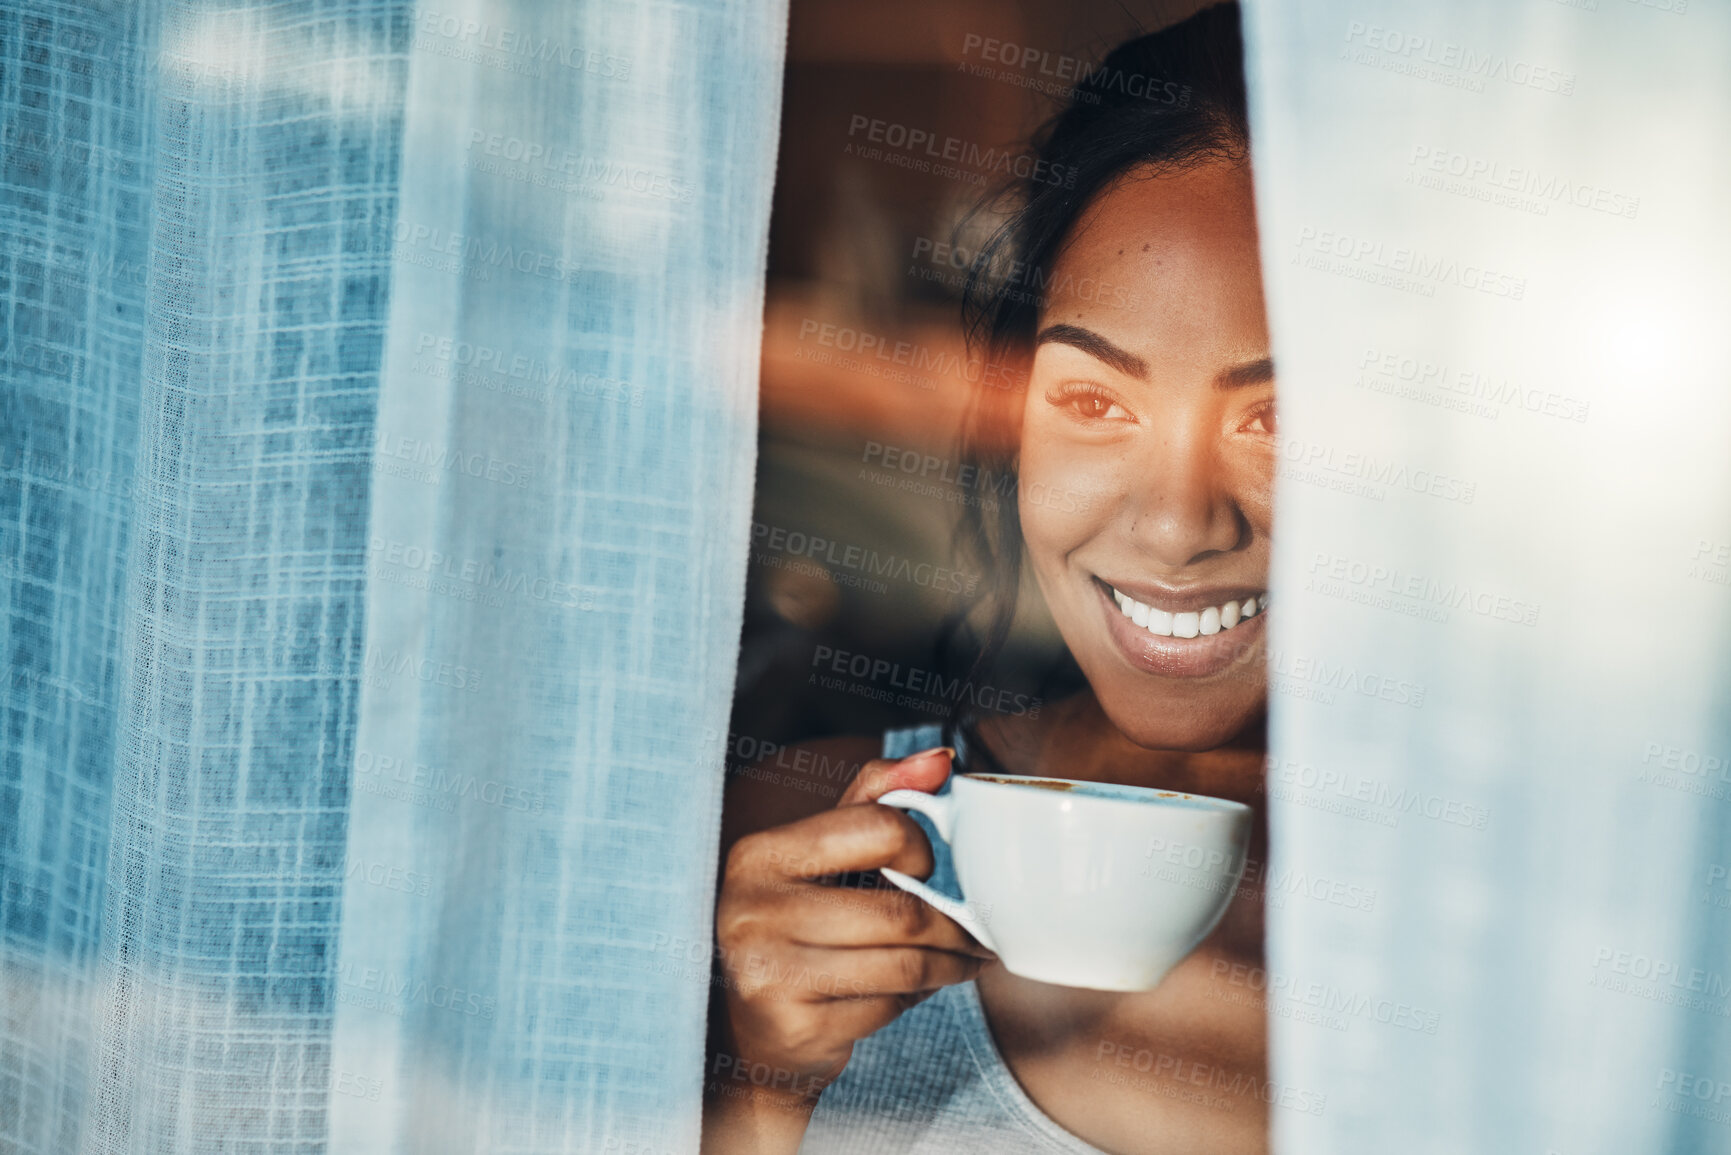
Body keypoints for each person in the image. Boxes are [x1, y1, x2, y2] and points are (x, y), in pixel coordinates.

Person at [704, 6, 1273, 1151]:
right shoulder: (800, 856)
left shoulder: (1552, 913)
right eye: (1095, 402)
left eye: (1283, 421)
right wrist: (758, 1091)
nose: (1174, 525)